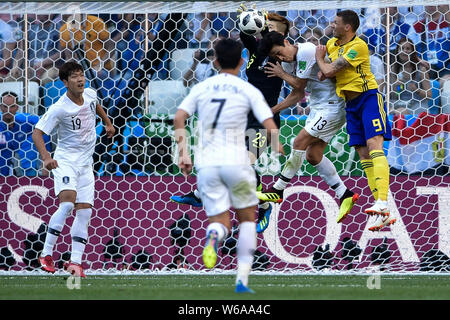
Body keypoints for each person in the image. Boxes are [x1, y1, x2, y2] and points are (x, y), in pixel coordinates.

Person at [174, 38, 282, 293]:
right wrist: (276, 143)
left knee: (220, 221)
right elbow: (268, 120)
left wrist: (183, 154)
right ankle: (242, 281)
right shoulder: (247, 89)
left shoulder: (203, 87)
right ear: (242, 61)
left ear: (215, 60)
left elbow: (179, 117)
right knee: (246, 220)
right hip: (237, 161)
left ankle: (213, 236)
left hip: (208, 163)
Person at [170, 8, 291, 234]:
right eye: (266, 27)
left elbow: (298, 85)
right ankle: (199, 195)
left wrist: (284, 73)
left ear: (282, 37)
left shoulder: (281, 56)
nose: (267, 30)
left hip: (264, 120)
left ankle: (264, 206)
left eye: (273, 29)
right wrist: (246, 19)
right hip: (243, 117)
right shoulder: (256, 49)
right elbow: (246, 35)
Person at [255, 30, 359, 224]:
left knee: (299, 141)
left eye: (279, 52)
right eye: (275, 56)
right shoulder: (287, 63)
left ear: (286, 41)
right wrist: (274, 109)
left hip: (333, 106)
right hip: (319, 108)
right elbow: (297, 94)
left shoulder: (307, 50)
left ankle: (277, 189)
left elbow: (299, 84)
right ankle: (345, 194)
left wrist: (281, 73)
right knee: (313, 156)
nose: (280, 57)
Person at [315, 10, 396, 232]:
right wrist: (326, 68)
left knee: (374, 146)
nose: (332, 25)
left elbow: (329, 70)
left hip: (368, 98)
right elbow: (325, 75)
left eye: (336, 22)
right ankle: (382, 210)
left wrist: (320, 61)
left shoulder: (358, 46)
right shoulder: (332, 43)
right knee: (363, 154)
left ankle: (382, 203)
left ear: (348, 27)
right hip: (350, 105)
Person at [33, 61, 115, 277]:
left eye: (81, 75)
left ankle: (75, 263)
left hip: (86, 163)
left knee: (85, 211)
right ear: (64, 82)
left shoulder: (89, 93)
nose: (80, 80)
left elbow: (95, 104)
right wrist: (46, 157)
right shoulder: (59, 108)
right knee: (68, 203)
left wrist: (107, 122)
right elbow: (37, 132)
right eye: (74, 77)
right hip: (65, 161)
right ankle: (46, 253)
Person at [389, 37, 432, 115]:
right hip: (400, 103)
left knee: (399, 112)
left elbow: (429, 95)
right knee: (384, 109)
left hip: (417, 104)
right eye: (402, 48)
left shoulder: (421, 69)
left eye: (408, 48)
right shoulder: (394, 69)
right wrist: (395, 87)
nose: (405, 51)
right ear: (397, 52)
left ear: (412, 52)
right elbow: (393, 95)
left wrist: (416, 90)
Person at [0, 92, 36, 175]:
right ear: (0, 107)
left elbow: (44, 121)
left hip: (14, 171)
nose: (8, 110)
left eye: (12, 106)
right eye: (5, 106)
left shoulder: (25, 122)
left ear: (17, 107)